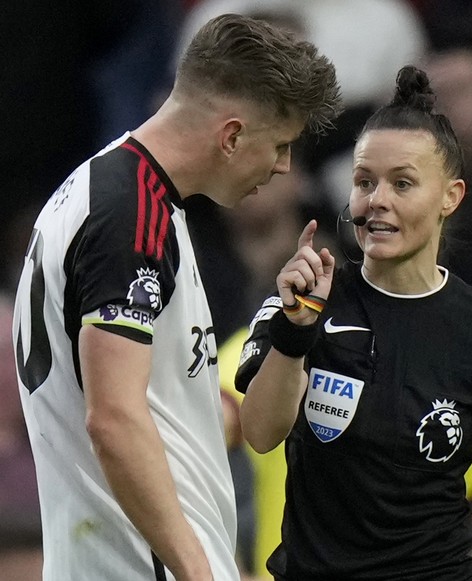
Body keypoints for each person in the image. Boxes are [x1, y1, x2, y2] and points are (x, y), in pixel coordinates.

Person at [11, 13, 341, 581]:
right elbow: (113, 417)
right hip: (140, 565)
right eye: (281, 145)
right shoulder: (130, 218)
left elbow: (164, 409)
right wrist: (197, 569)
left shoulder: (114, 191)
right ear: (232, 135)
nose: (284, 166)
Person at [235, 66, 472, 580]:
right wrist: (296, 334)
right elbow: (260, 433)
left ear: (450, 197)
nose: (376, 199)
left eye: (402, 183)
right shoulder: (301, 302)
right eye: (364, 181)